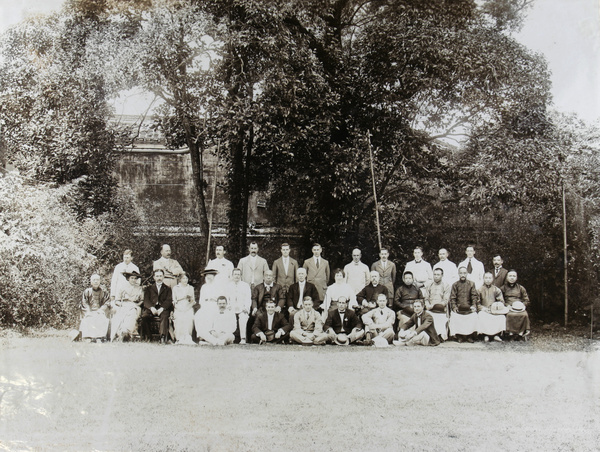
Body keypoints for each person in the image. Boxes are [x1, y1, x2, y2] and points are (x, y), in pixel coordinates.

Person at [141, 269, 173, 343]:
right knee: (144, 317)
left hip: (163, 308)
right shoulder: (149, 288)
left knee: (165, 316)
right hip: (151, 308)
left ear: (163, 277)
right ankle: (148, 336)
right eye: (157, 276)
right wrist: (151, 308)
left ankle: (163, 337)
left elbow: (169, 300)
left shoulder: (167, 288)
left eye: (161, 276)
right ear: (154, 277)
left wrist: (162, 308)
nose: (159, 278)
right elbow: (146, 300)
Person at [449, 267, 480, 342]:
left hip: (469, 308)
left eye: (464, 273)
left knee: (474, 316)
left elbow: (474, 296)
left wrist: (473, 306)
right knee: (454, 316)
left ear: (467, 274)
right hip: (459, 308)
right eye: (461, 273)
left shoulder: (471, 284)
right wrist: (454, 307)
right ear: (458, 274)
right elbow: (452, 298)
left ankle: (469, 336)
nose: (463, 275)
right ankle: (459, 336)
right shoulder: (455, 284)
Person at [111, 271, 144, 341]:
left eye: (135, 278)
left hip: (134, 306)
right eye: (132, 278)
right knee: (119, 316)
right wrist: (122, 304)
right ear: (128, 278)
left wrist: (136, 305)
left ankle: (128, 333)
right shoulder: (122, 287)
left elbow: (142, 300)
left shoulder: (139, 288)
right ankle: (120, 333)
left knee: (131, 315)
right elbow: (117, 300)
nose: (133, 280)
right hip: (123, 305)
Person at [77, 274, 110, 342]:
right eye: (94, 280)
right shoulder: (87, 291)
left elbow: (107, 303)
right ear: (91, 282)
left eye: (97, 280)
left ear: (100, 281)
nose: (96, 282)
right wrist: (88, 311)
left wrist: (101, 310)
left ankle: (99, 338)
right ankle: (88, 338)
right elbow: (84, 303)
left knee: (101, 318)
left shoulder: (104, 292)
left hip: (100, 311)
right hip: (89, 311)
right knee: (89, 318)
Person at [500, 270, 531, 339]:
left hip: (519, 307)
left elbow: (526, 300)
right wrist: (506, 305)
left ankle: (521, 333)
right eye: (510, 276)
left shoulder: (521, 288)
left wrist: (522, 305)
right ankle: (510, 333)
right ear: (507, 277)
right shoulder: (503, 288)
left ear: (516, 278)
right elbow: (500, 299)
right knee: (510, 315)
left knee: (524, 315)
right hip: (508, 306)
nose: (512, 278)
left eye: (514, 276)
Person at [478, 272, 507, 342]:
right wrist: (483, 308)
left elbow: (501, 302)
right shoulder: (479, 290)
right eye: (486, 278)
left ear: (493, 279)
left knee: (501, 317)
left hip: (495, 310)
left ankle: (497, 335)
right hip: (484, 310)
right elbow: (477, 303)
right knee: (481, 315)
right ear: (483, 279)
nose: (488, 280)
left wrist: (495, 307)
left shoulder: (496, 289)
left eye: (489, 278)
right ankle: (485, 335)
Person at [423, 268, 451, 340]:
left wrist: (435, 305)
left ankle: (440, 336)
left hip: (441, 309)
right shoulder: (429, 285)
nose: (436, 276)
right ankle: (431, 336)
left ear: (442, 275)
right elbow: (426, 298)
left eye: (438, 275)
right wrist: (428, 305)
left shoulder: (446, 285)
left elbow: (445, 300)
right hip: (430, 309)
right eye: (434, 274)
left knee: (440, 318)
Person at [226, 268, 252, 344]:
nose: (237, 276)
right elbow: (226, 298)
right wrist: (228, 306)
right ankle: (229, 338)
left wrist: (246, 308)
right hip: (231, 308)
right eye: (235, 274)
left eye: (238, 274)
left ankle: (243, 338)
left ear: (241, 275)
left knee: (243, 317)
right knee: (228, 316)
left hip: (242, 308)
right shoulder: (228, 285)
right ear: (232, 275)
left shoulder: (245, 285)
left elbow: (248, 298)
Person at [172, 272, 196, 345]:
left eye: (186, 278)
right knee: (179, 318)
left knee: (189, 317)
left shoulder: (190, 288)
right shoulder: (175, 288)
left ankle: (188, 337)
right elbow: (174, 301)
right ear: (180, 279)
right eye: (183, 278)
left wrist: (187, 308)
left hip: (188, 307)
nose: (185, 280)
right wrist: (179, 308)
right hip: (178, 307)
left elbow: (193, 301)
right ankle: (179, 338)